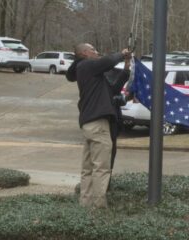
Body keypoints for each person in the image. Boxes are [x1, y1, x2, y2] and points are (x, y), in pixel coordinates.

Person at [66, 43, 131, 208]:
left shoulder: (92, 75)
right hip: (98, 125)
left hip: (89, 125)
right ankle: (99, 208)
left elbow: (114, 88)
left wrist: (127, 66)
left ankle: (85, 205)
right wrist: (121, 53)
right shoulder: (86, 65)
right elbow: (108, 62)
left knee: (88, 168)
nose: (97, 52)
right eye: (94, 50)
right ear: (85, 53)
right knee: (101, 168)